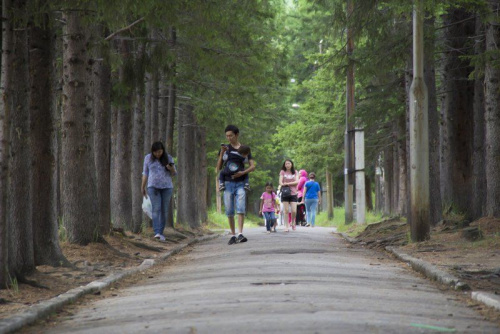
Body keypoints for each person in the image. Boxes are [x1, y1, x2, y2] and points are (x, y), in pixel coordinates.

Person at [217, 125, 255, 245]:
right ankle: (232, 234)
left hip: (240, 183)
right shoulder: (225, 148)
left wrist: (243, 173)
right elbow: (218, 168)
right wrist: (222, 153)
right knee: (229, 209)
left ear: (237, 135)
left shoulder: (244, 149)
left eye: (231, 136)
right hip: (228, 183)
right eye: (227, 136)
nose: (229, 138)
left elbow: (252, 166)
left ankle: (240, 233)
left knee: (240, 207)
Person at [141, 142, 177, 241]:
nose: (158, 154)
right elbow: (145, 173)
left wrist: (171, 168)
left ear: (163, 150)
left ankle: (161, 233)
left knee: (164, 210)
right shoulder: (147, 158)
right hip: (153, 187)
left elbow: (174, 173)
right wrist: (142, 187)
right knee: (156, 209)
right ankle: (156, 232)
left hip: (167, 187)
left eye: (160, 152)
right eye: (155, 152)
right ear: (152, 151)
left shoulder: (168, 157)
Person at [279, 159, 299, 232]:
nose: (287, 165)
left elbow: (297, 181)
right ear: (284, 165)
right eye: (286, 164)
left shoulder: (295, 172)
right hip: (285, 193)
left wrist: (288, 184)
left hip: (293, 193)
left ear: (291, 164)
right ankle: (286, 226)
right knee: (286, 210)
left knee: (294, 210)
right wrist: (283, 184)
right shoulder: (282, 172)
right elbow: (280, 182)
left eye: (289, 163)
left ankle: (293, 222)